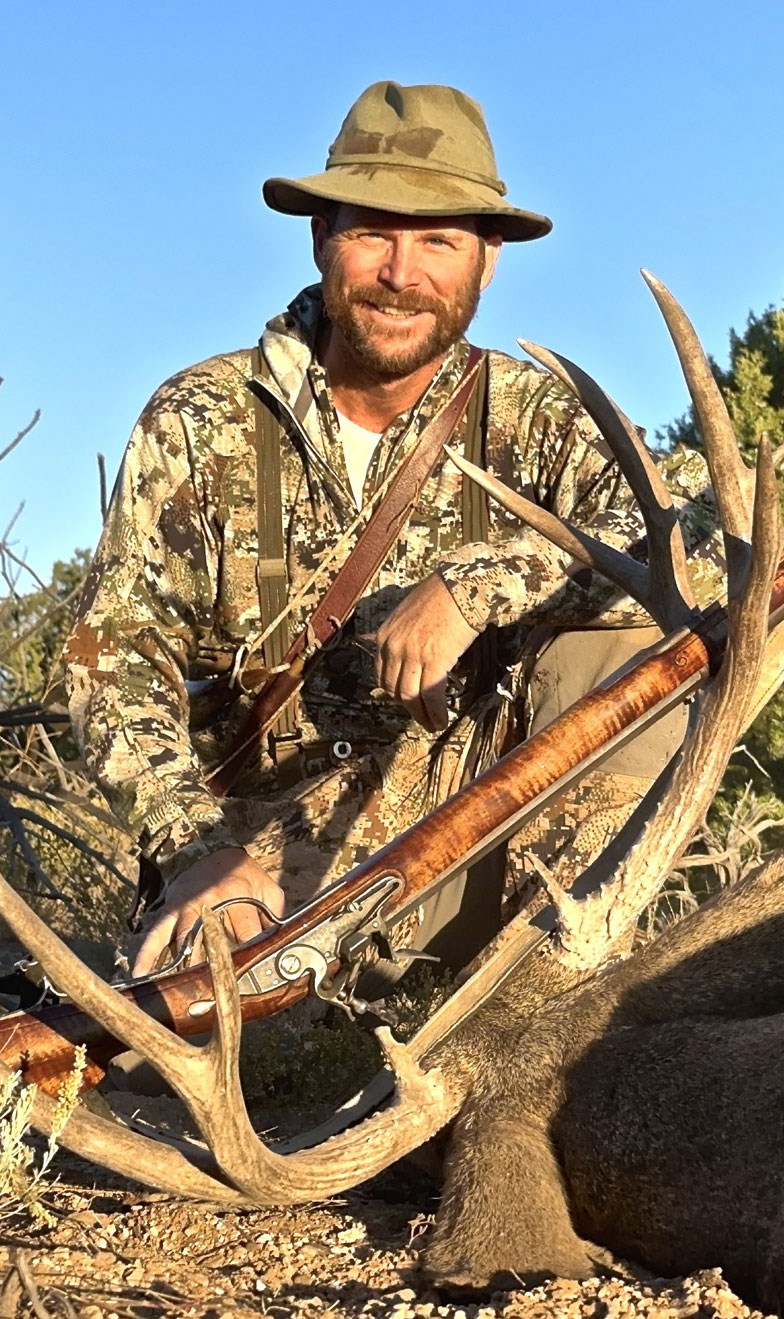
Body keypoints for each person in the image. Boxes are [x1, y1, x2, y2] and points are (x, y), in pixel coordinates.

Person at [65, 82, 676, 976]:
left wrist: (478, 588)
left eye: (438, 240)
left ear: (487, 260)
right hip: (258, 896)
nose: (403, 272)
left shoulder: (539, 419)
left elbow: (683, 525)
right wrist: (197, 850)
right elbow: (111, 652)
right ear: (321, 240)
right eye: (372, 234)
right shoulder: (199, 420)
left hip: (470, 856)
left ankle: (561, 983)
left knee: (636, 638)